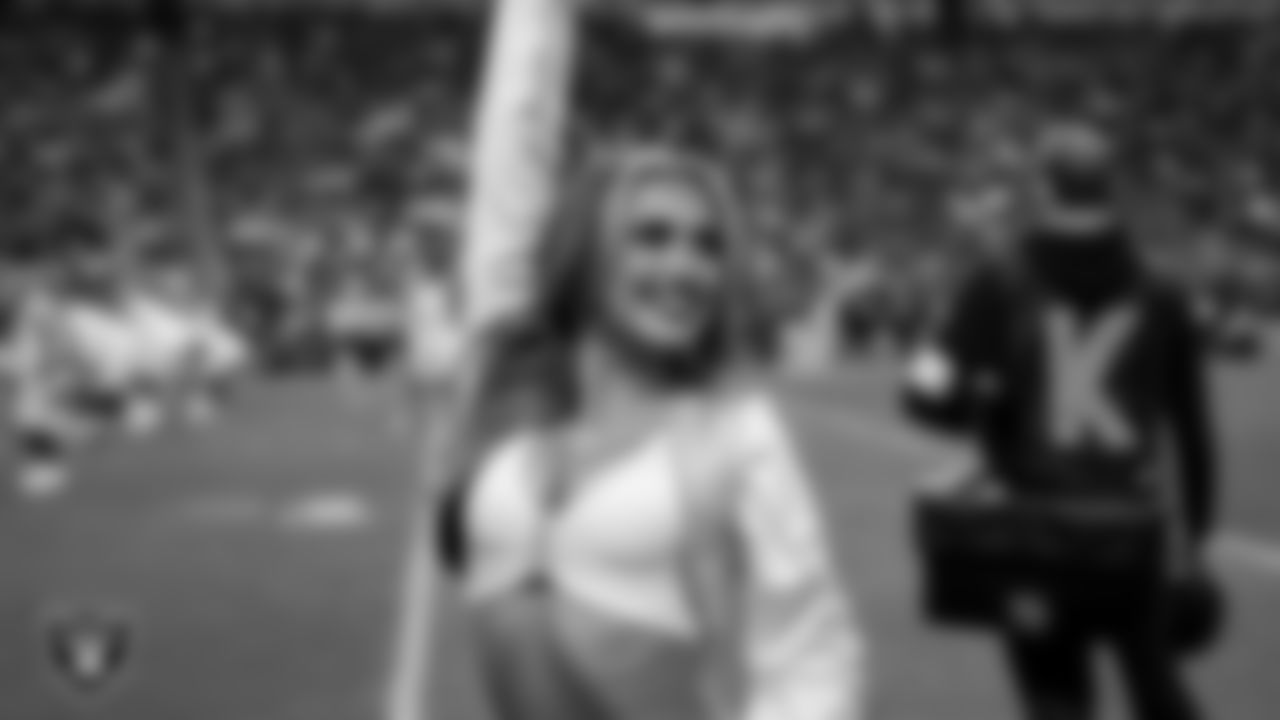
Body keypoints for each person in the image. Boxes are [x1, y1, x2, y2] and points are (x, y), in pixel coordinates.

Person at [435, 145, 864, 720]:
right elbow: (510, 157)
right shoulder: (516, 414)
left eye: (708, 246)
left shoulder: (736, 433)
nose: (686, 270)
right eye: (652, 237)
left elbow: (814, 658)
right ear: (587, 251)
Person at [902, 120, 1219, 720]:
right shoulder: (1162, 291)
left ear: (1043, 190)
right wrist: (1195, 543)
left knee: (1055, 703)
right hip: (1131, 532)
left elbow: (923, 394)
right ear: (1109, 190)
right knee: (1160, 695)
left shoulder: (998, 280)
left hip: (1034, 536)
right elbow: (1195, 438)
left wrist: (982, 404)